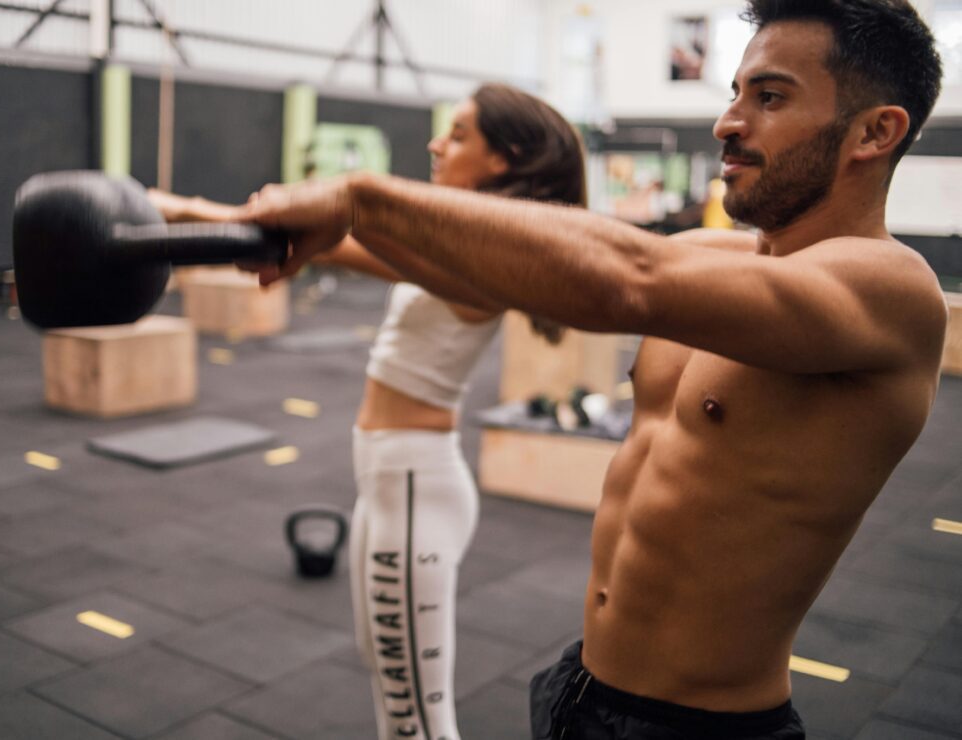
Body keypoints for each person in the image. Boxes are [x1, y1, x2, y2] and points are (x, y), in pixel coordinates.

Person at [236, 1, 947, 737]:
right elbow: (523, 271)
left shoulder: (890, 290)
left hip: (699, 726)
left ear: (876, 131)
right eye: (733, 93)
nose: (729, 123)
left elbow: (627, 276)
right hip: (583, 691)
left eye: (768, 97)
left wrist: (362, 199)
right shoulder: (724, 262)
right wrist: (285, 229)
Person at [148, 84, 586, 739]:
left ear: (506, 158)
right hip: (393, 483)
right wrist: (178, 212)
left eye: (460, 134)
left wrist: (190, 208)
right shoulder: (448, 244)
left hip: (415, 488)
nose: (437, 143)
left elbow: (361, 229)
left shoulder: (487, 259)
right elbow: (327, 240)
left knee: (417, 721)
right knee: (393, 695)